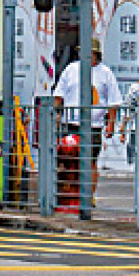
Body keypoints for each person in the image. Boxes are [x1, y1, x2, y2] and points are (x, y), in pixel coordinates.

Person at [53, 40, 122, 188]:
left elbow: (113, 101)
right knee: (67, 159)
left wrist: (110, 124)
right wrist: (56, 114)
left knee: (90, 161)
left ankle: (88, 195)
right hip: (71, 123)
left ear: (96, 54)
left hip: (94, 125)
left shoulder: (106, 73)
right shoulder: (70, 69)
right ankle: (69, 192)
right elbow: (59, 95)